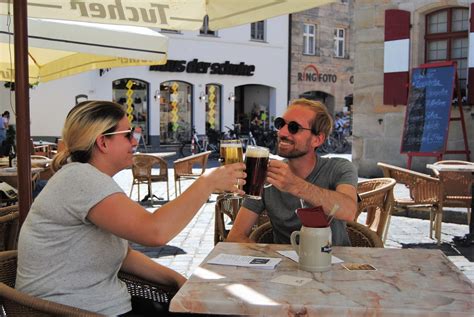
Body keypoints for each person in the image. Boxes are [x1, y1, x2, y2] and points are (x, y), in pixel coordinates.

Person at [16, 100, 246, 316]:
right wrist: (206, 183)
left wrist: (176, 279)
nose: (135, 141)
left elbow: (123, 255)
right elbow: (155, 232)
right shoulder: (81, 179)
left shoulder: (88, 178)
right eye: (128, 135)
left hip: (98, 304)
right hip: (69, 310)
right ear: (102, 142)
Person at [227, 98, 357, 246]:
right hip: (284, 266)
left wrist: (295, 185)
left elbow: (349, 211)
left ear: (317, 139)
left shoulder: (338, 168)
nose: (282, 132)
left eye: (294, 127)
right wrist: (269, 257)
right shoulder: (267, 174)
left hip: (333, 263)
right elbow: (235, 236)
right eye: (280, 124)